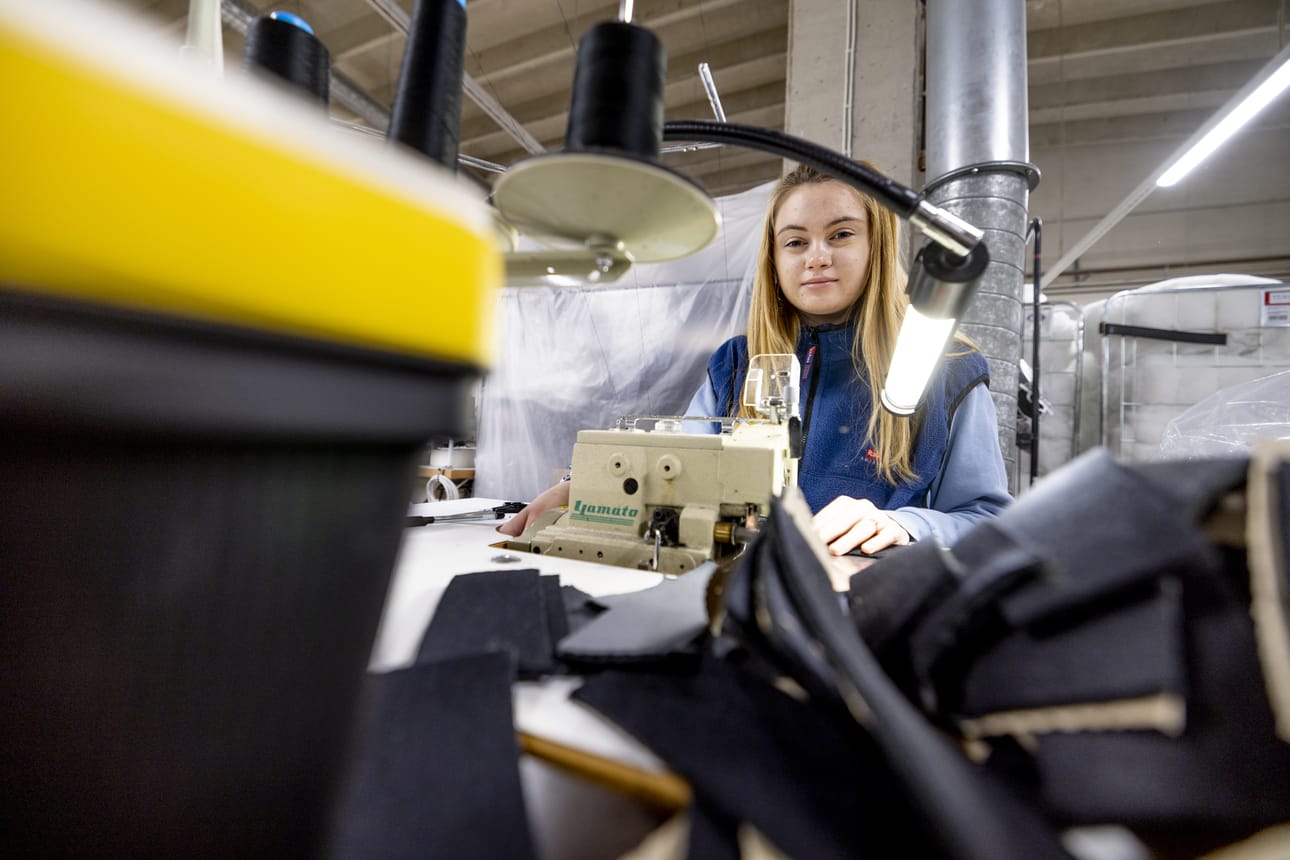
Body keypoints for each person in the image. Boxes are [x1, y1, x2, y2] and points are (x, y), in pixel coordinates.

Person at [501, 162, 1010, 560]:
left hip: (867, 606)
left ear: (878, 245)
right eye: (795, 242)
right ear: (774, 258)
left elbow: (986, 518)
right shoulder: (734, 364)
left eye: (840, 234)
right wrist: (587, 487)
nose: (816, 257)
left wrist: (903, 523)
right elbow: (674, 471)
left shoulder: (946, 368)